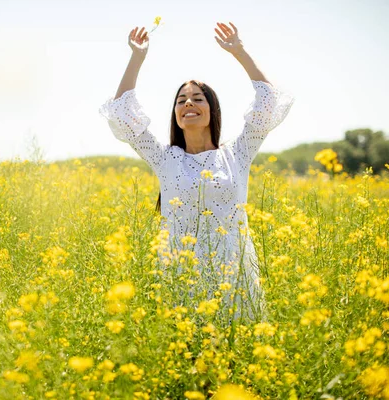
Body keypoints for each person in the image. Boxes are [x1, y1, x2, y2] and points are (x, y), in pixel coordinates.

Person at [98, 22, 295, 325]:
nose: (188, 103)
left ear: (211, 111)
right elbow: (123, 116)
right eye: (181, 100)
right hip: (182, 274)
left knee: (237, 358)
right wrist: (137, 57)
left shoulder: (237, 154)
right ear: (176, 116)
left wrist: (239, 52)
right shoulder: (165, 158)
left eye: (197, 98)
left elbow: (267, 106)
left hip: (235, 273)